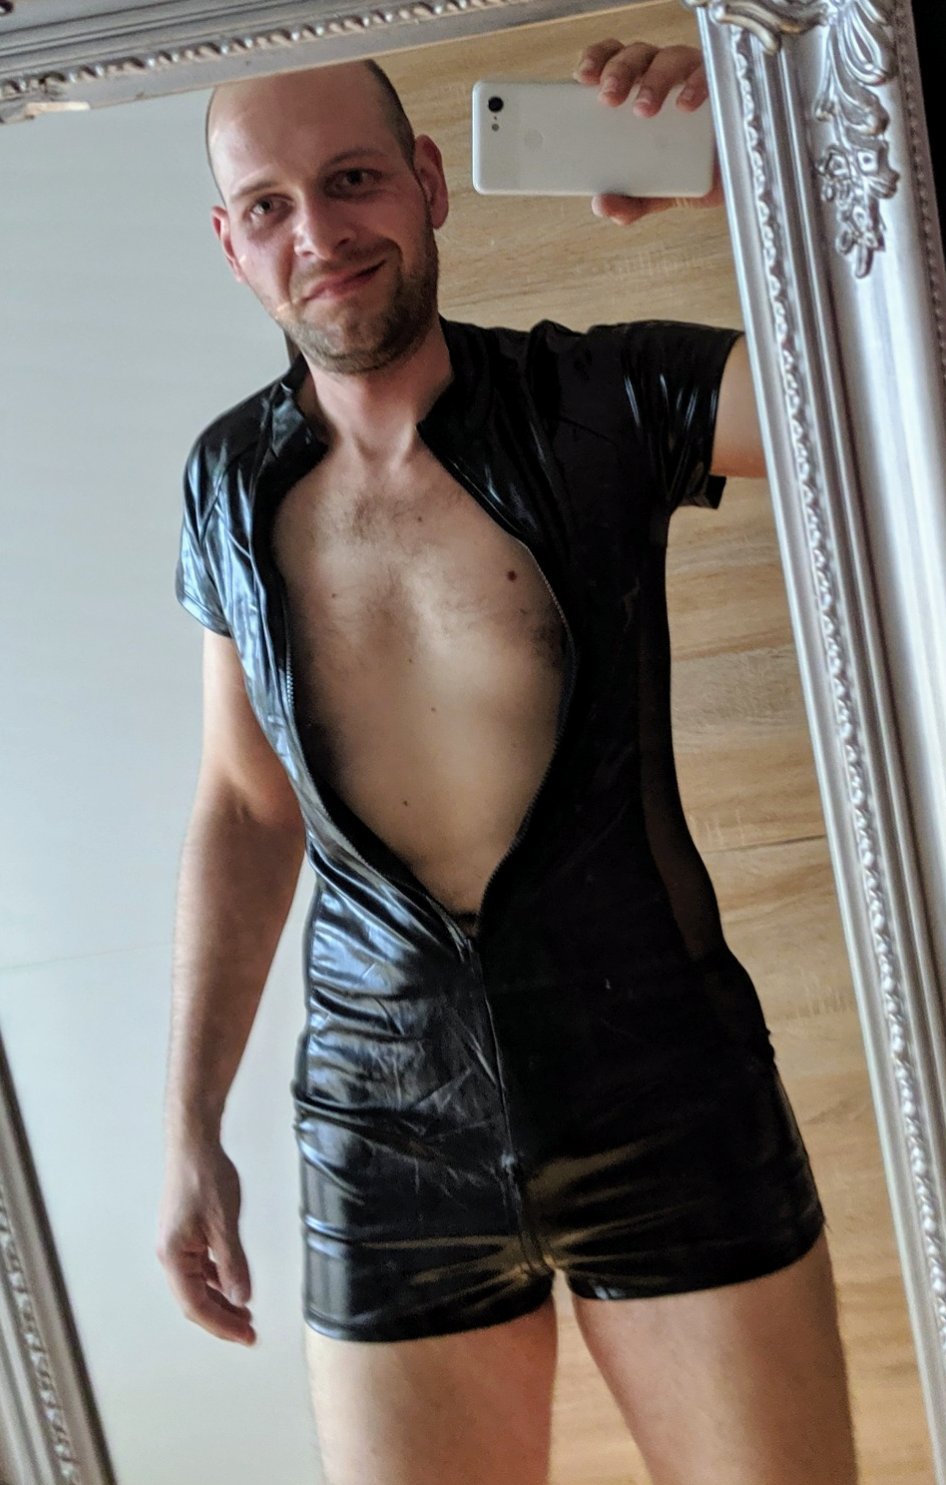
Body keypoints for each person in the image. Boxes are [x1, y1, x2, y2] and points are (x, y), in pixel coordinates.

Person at [156, 38, 860, 1485]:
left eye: (354, 179)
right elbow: (244, 805)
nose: (320, 232)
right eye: (271, 205)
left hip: (664, 1091)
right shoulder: (226, 480)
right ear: (231, 243)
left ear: (428, 183)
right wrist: (188, 1124)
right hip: (381, 1127)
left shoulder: (600, 397)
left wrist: (759, 166)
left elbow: (892, 379)